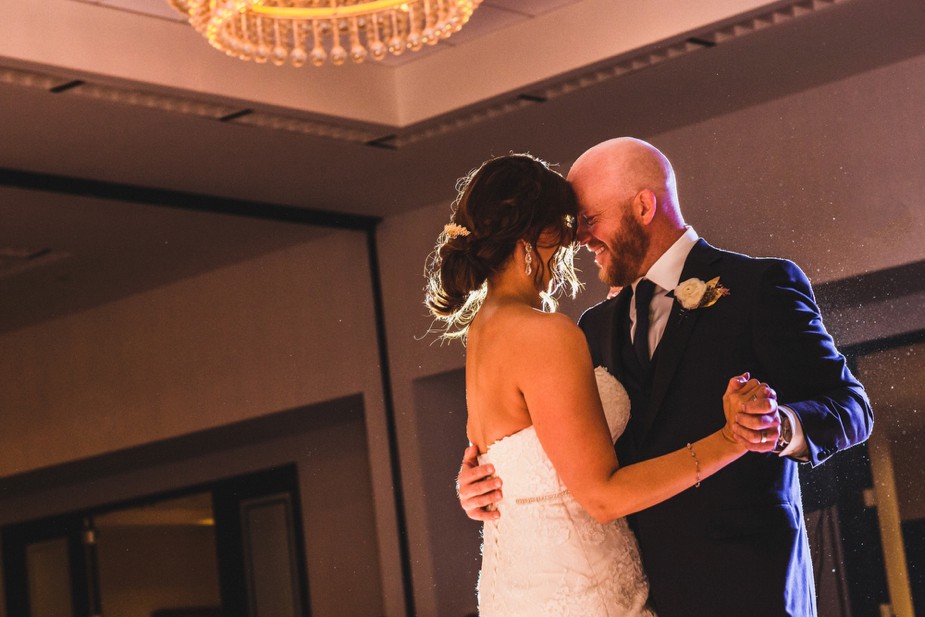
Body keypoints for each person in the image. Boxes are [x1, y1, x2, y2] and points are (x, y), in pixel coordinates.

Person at [456, 139, 874, 616]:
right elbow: (566, 444)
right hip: (634, 593)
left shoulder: (761, 287)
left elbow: (852, 407)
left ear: (643, 206)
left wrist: (779, 427)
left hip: (748, 590)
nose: (580, 239)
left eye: (589, 221)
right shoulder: (591, 326)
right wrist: (490, 481)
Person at [426, 153, 776, 616]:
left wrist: (476, 486)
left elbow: (522, 456)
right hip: (588, 592)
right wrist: (731, 440)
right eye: (569, 224)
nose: (578, 239)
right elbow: (602, 497)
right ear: (534, 237)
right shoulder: (546, 333)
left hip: (519, 592)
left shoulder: (483, 332)